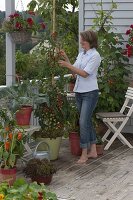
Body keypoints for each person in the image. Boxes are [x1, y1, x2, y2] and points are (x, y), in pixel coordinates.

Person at [58, 30, 101, 164]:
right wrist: (67, 59)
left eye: (82, 39)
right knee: (86, 121)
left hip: (90, 93)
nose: (80, 41)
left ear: (88, 40)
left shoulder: (95, 56)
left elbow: (84, 74)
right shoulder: (82, 54)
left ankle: (84, 153)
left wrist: (67, 65)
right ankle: (93, 150)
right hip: (79, 92)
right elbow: (74, 73)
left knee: (83, 122)